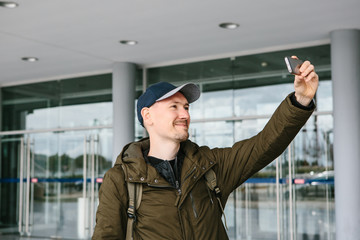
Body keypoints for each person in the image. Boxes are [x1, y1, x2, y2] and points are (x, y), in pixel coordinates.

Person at [92, 57, 319, 240]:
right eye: (174, 107)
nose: (185, 114)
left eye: (186, 107)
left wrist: (300, 100)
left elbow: (264, 145)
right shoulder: (121, 180)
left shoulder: (209, 166)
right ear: (147, 115)